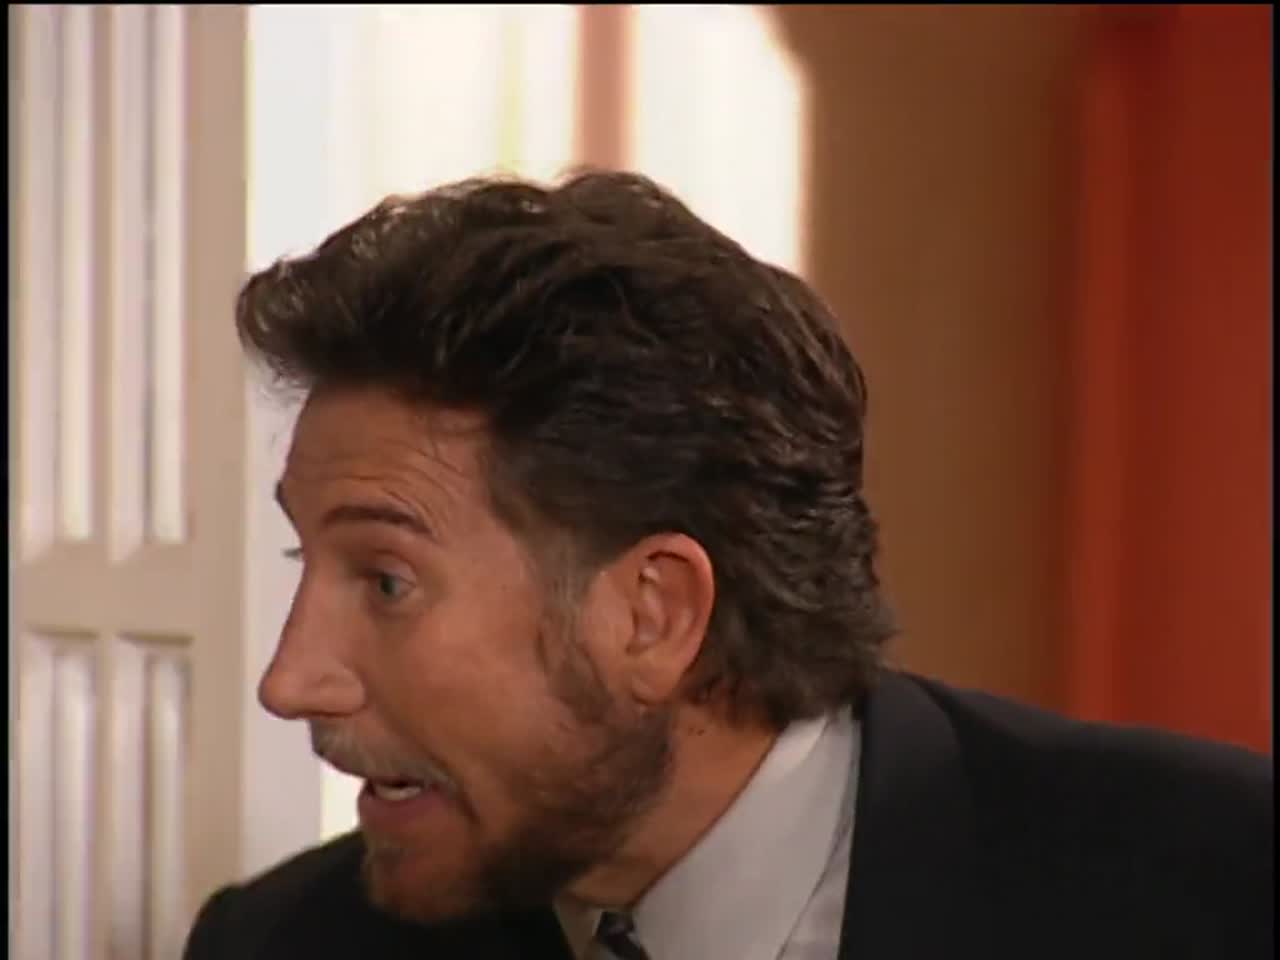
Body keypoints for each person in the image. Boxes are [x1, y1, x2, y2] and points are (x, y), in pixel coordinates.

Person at [183, 171, 1272, 960]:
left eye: (384, 580)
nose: (291, 680)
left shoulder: (1222, 889)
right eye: (302, 557)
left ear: (653, 613)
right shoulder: (283, 944)